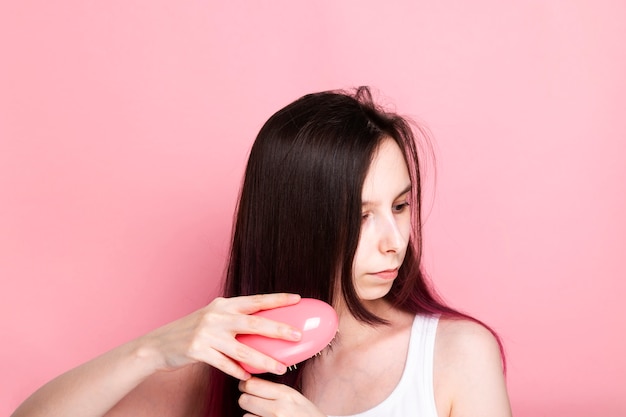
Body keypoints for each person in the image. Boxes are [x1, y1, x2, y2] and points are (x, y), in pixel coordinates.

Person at [12, 87, 512, 417]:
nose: (394, 241)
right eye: (360, 216)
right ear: (295, 222)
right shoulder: (234, 360)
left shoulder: (455, 355)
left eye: (400, 205)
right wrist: (152, 350)